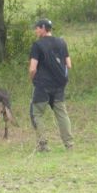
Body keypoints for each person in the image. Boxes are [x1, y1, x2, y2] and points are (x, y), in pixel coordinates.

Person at [29, 18, 74, 152]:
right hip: (59, 84)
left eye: (37, 28)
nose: (36, 30)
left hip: (42, 85)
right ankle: (69, 144)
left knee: (36, 113)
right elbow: (69, 65)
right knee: (62, 114)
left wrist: (32, 79)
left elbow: (32, 68)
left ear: (43, 28)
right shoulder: (61, 42)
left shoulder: (37, 45)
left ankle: (43, 145)